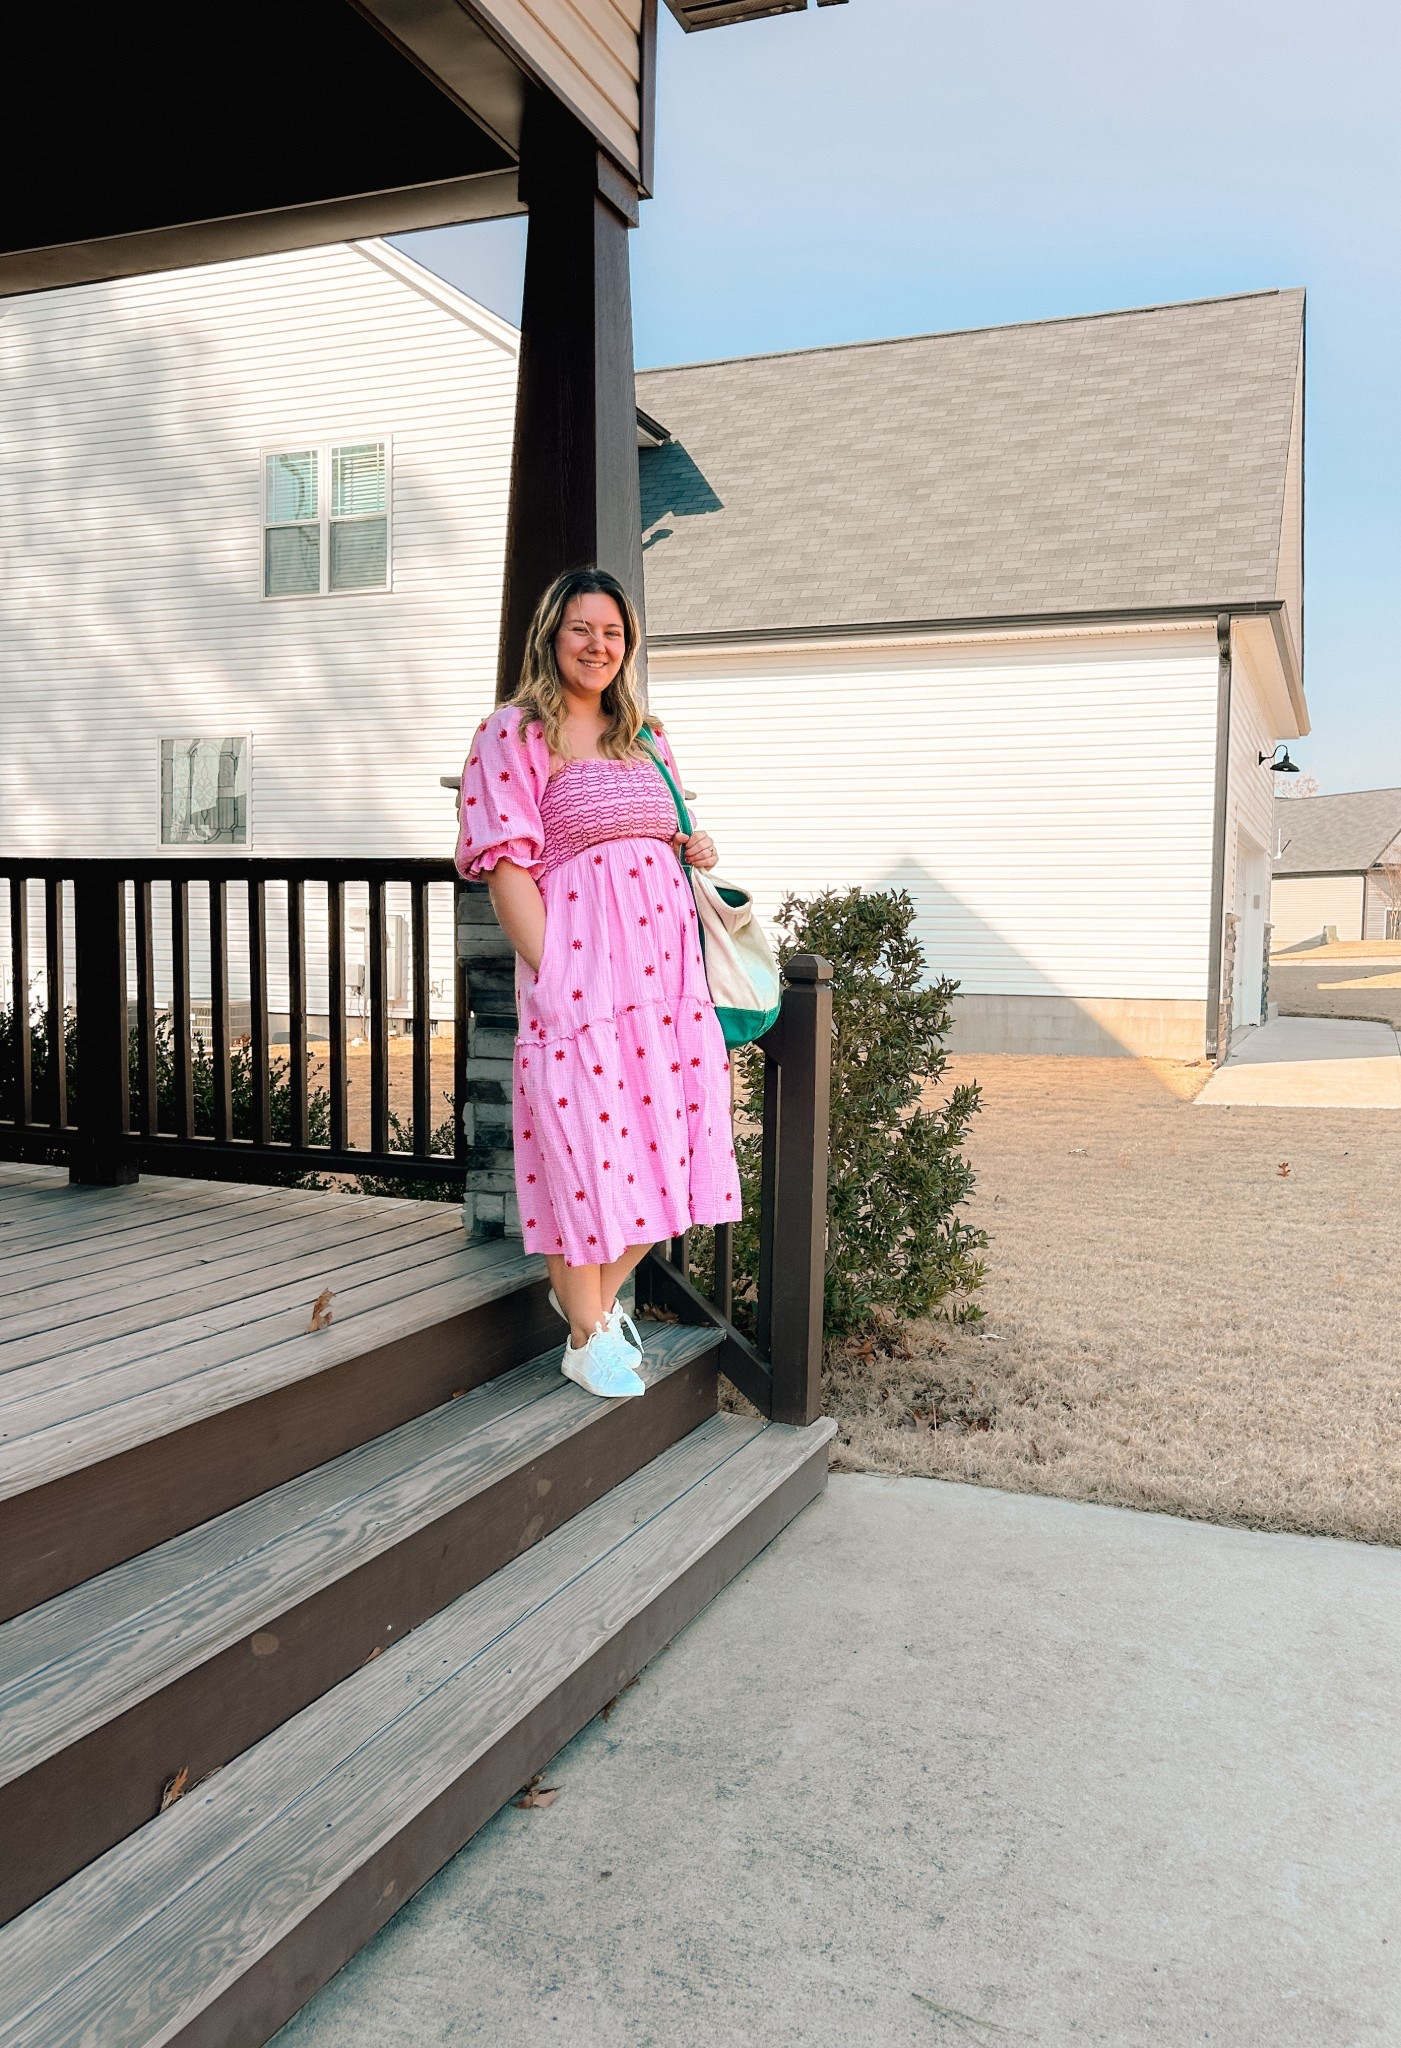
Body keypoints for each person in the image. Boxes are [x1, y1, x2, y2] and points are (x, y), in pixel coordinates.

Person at [455, 567, 741, 1399]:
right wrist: (553, 971)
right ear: (552, 634)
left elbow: (663, 831)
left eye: (612, 633)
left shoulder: (645, 734)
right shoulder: (514, 733)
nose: (597, 646)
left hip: (668, 981)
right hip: (582, 978)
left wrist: (698, 847)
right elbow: (505, 865)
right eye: (581, 629)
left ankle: (592, 1305)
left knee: (672, 1151)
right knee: (579, 1145)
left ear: (628, 644)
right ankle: (585, 1332)